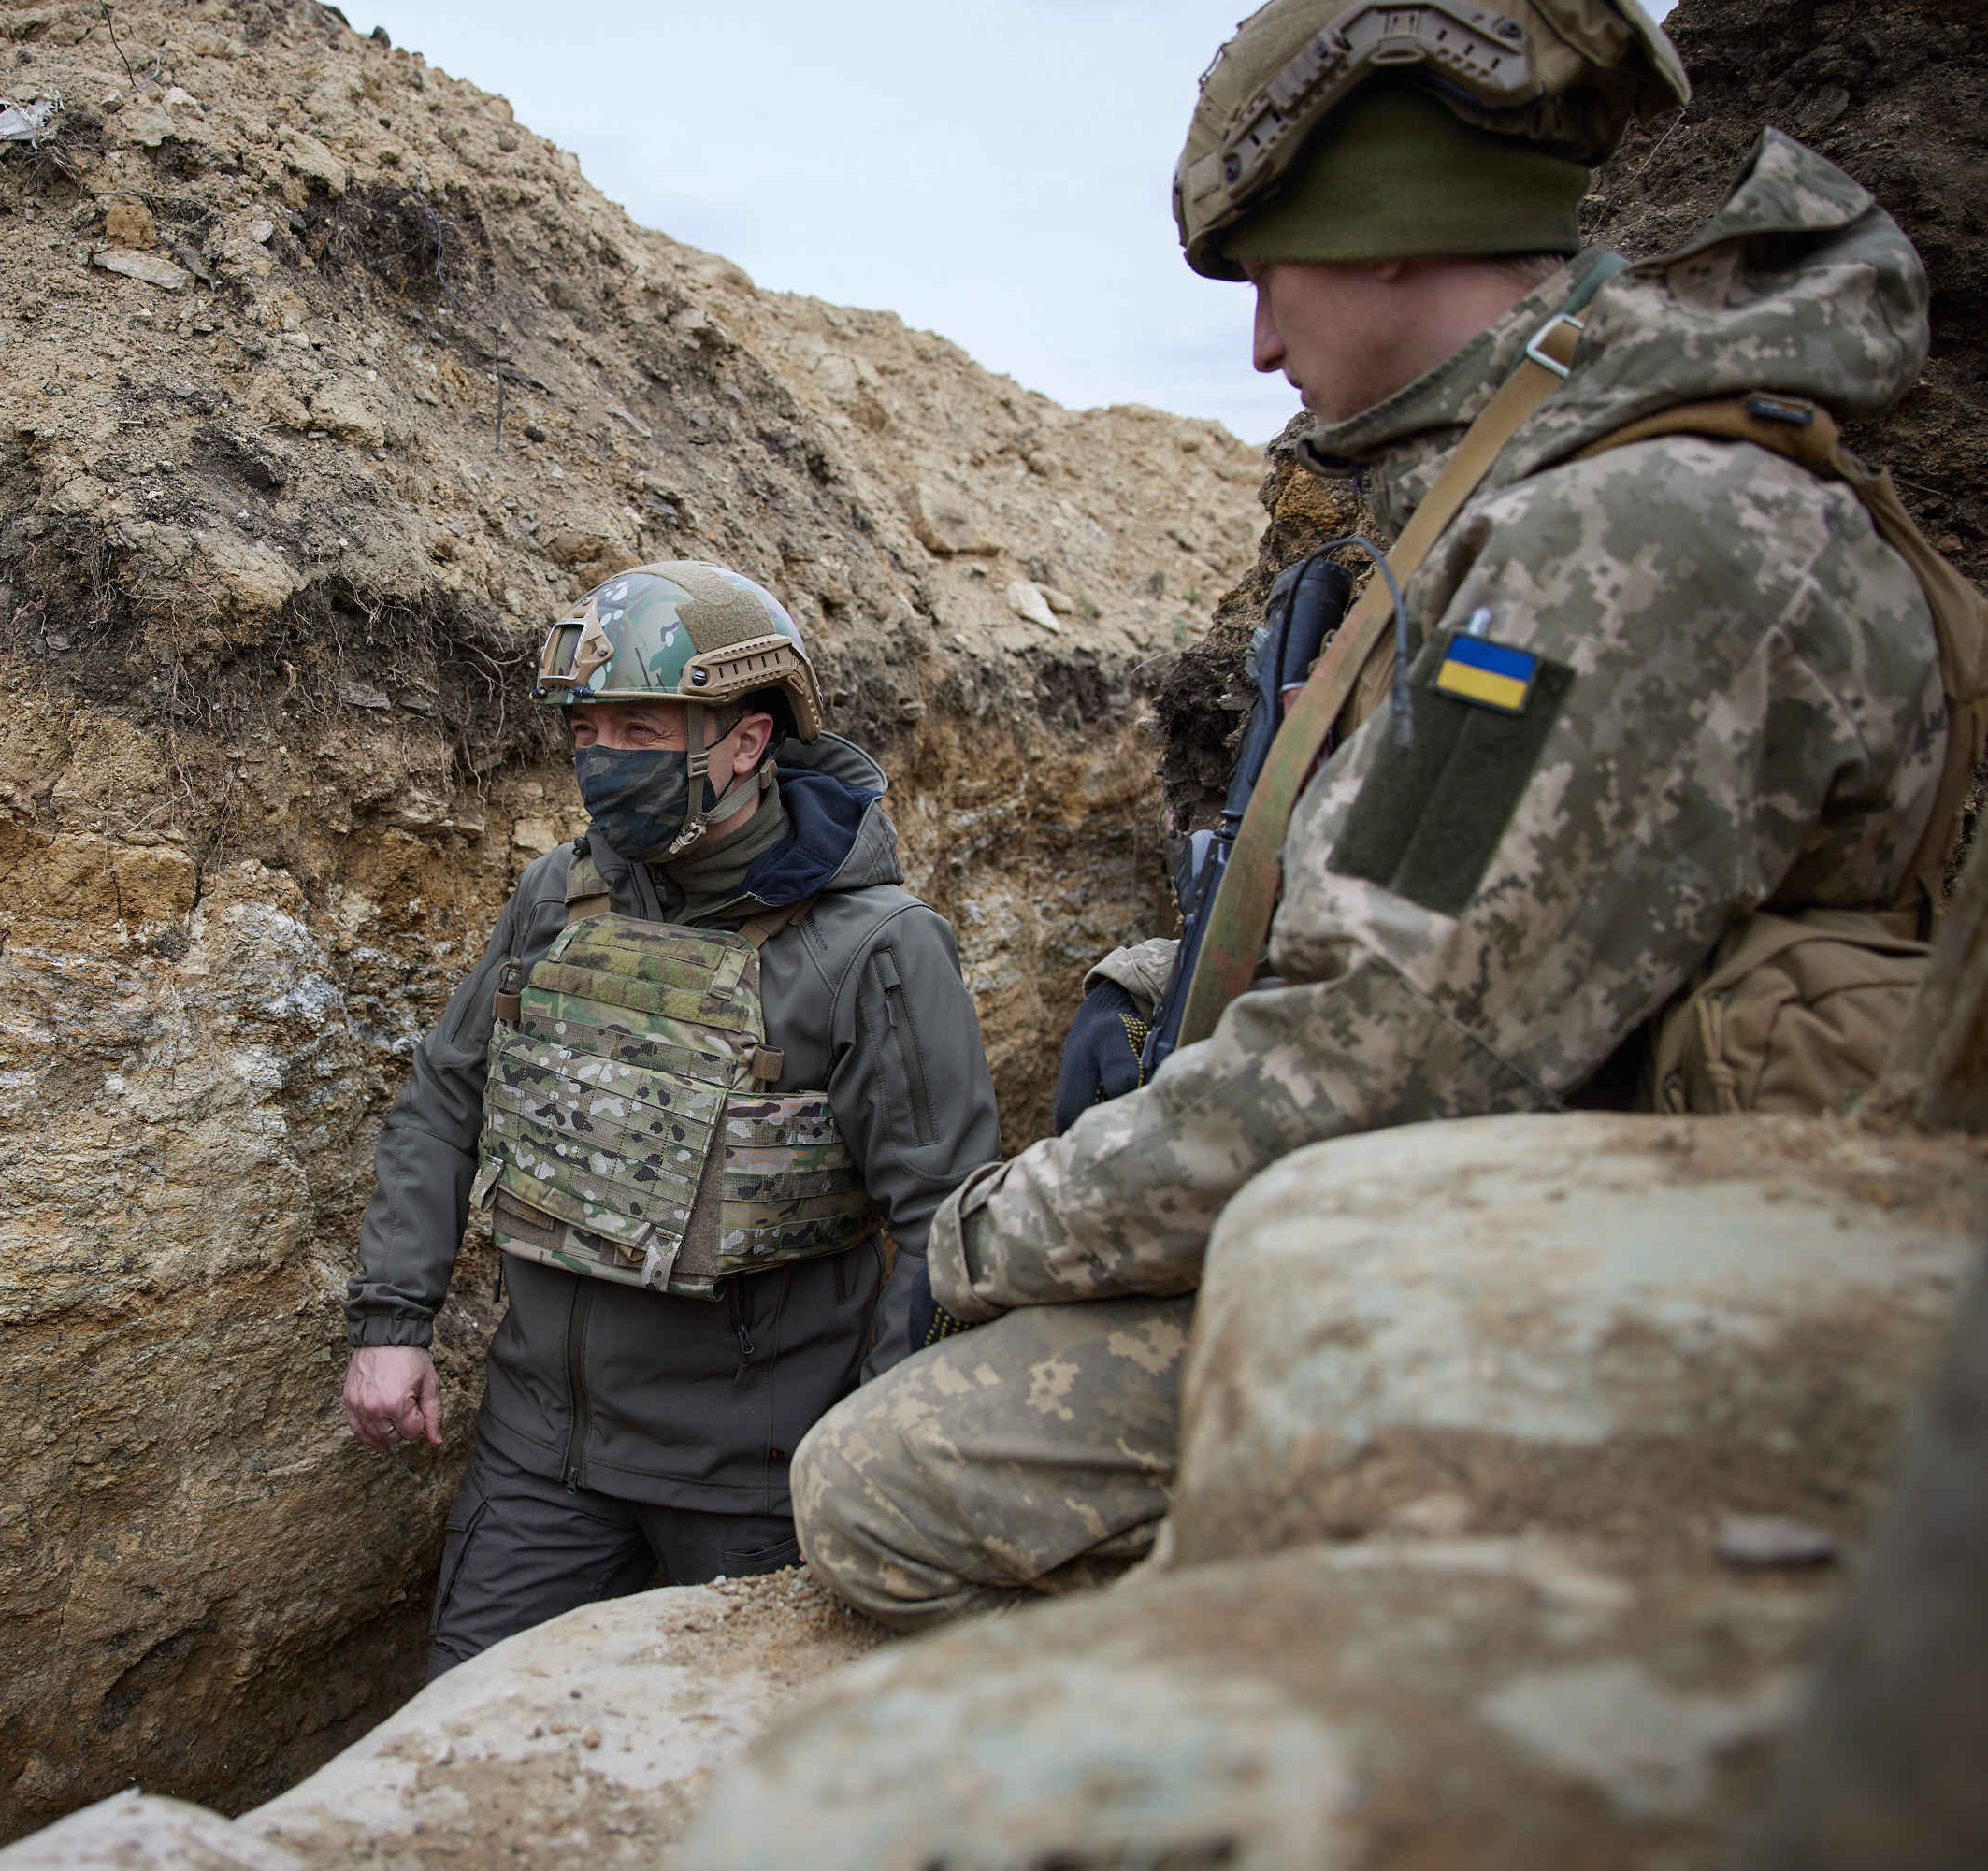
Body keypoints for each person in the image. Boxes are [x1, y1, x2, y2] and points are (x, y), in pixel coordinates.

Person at [796, 0, 1976, 1629]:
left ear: (1391, 247)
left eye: (1271, 281)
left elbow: (1377, 1059)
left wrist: (998, 1235)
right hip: (1586, 1200)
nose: (1263, 349)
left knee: (893, 1483)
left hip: (1699, 1270)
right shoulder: (1565, 499)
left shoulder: (1610, 542)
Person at [341, 560, 1001, 1677]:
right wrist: (393, 1320)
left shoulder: (876, 948)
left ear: (745, 743)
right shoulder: (558, 895)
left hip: (752, 1478)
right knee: (469, 1741)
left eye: (639, 728)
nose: (602, 758)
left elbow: (944, 1223)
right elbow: (447, 1097)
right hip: (539, 1457)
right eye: (587, 726)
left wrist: (873, 1453)